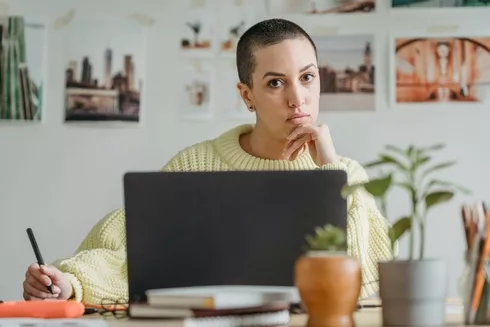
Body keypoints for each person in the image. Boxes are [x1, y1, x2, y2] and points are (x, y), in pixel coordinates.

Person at [22, 18, 394, 305]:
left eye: (308, 77)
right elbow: (128, 249)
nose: (298, 98)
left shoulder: (345, 173)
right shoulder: (196, 163)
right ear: (247, 96)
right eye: (276, 83)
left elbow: (367, 282)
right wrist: (69, 281)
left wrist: (330, 168)